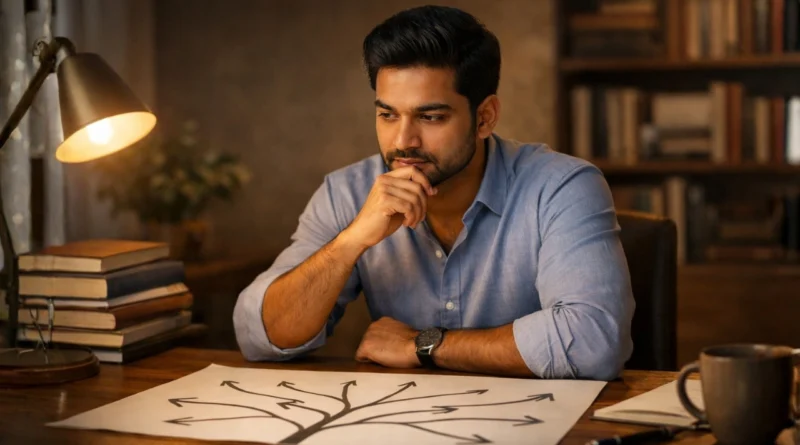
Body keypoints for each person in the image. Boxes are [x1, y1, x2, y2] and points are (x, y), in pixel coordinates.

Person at [233, 5, 634, 380]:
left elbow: (594, 340)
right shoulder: (347, 192)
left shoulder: (561, 186)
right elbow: (258, 336)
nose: (403, 141)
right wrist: (351, 241)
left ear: (485, 117)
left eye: (431, 116)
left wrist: (424, 346)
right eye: (387, 114)